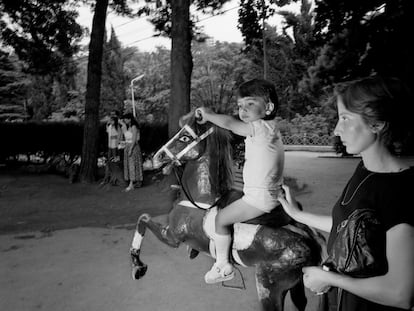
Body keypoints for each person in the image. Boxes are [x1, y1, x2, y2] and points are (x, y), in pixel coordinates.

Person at [277, 75, 414, 311]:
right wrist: (298, 215)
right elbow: (352, 230)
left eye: (345, 118)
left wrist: (329, 278)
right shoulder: (365, 168)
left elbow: (399, 293)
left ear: (377, 123)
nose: (337, 129)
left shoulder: (398, 191)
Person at [195, 78, 285, 284]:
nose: (243, 111)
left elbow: (228, 123)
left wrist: (208, 115)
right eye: (240, 106)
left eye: (250, 104)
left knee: (221, 218)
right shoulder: (271, 128)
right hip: (271, 193)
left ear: (268, 107)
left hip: (259, 199)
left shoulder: (258, 128)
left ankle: (222, 265)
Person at [120, 113, 143, 192]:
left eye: (126, 119)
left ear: (129, 119)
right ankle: (137, 182)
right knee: (129, 165)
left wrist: (131, 149)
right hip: (127, 146)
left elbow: (134, 140)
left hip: (133, 147)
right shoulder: (128, 127)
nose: (125, 120)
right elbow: (126, 137)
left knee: (133, 165)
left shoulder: (133, 127)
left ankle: (131, 183)